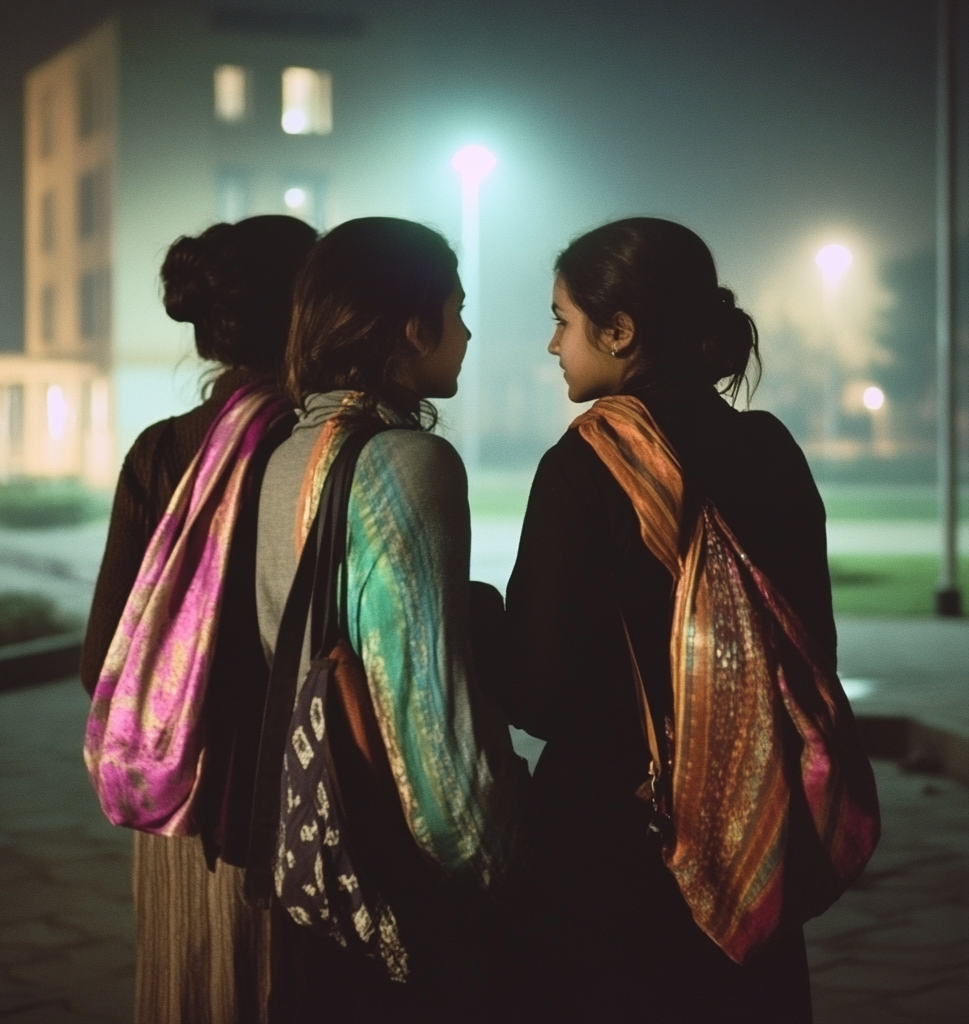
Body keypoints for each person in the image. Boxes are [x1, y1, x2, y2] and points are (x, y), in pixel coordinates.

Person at [503, 218, 833, 1023]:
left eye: (562, 319)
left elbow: (538, 691)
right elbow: (811, 649)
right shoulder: (770, 449)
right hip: (755, 816)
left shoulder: (584, 463)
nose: (553, 345)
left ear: (619, 332)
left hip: (612, 839)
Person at [254, 216, 529, 1022]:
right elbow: (427, 714)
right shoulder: (408, 464)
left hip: (319, 863)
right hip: (401, 885)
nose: (469, 331)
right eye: (459, 308)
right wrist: (502, 859)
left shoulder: (286, 455)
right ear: (414, 326)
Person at [81, 214, 317, 1024]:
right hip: (288, 807)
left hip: (178, 800)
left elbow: (101, 664)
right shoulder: (321, 445)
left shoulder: (159, 451)